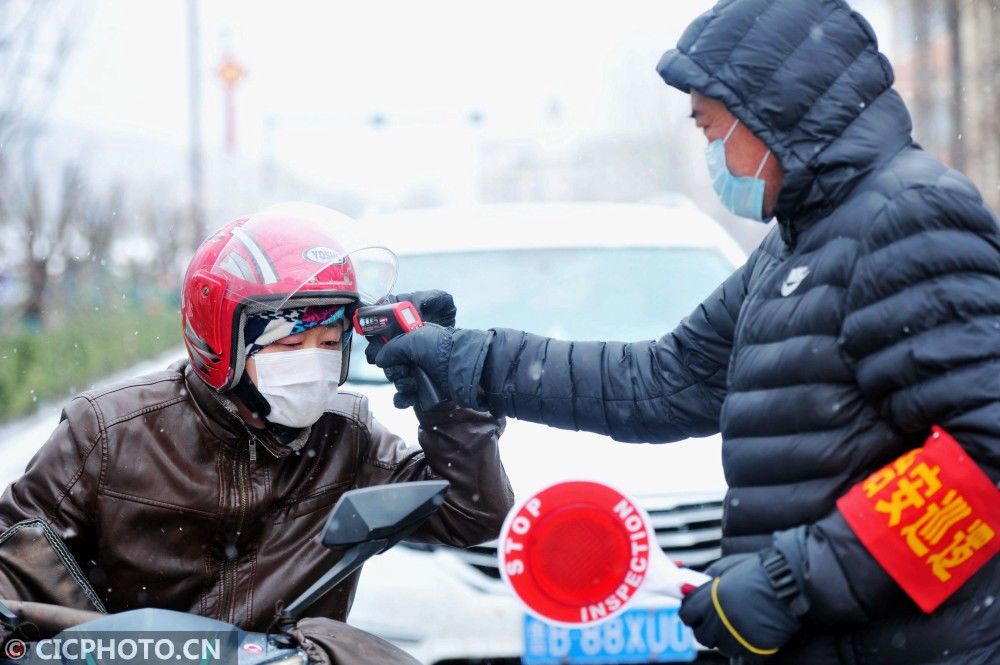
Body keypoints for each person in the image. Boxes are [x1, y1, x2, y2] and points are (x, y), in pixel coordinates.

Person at [366, 1, 999, 662]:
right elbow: (665, 380)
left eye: (709, 127)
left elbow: (986, 457)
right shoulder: (800, 242)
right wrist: (474, 361)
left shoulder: (908, 216)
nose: (711, 152)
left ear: (772, 112)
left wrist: (790, 583)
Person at [0, 203, 513, 637]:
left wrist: (448, 397)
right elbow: (13, 564)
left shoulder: (346, 435)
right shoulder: (109, 432)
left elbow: (473, 514)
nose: (311, 360)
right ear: (220, 340)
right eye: (289, 343)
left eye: (330, 343)